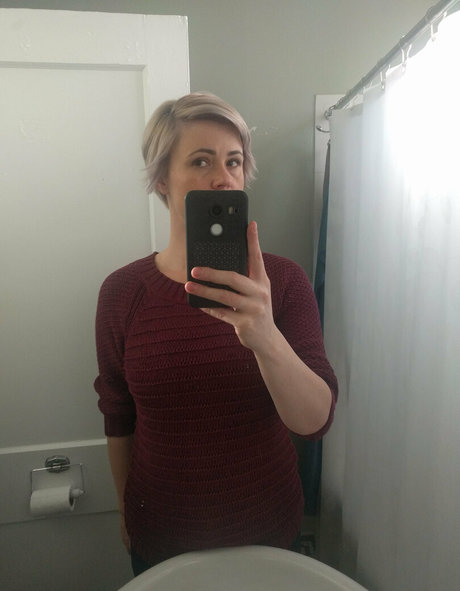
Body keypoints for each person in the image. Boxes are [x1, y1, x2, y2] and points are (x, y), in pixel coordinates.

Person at [94, 91, 338, 576]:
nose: (224, 178)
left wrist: (264, 334)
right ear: (161, 179)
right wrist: (124, 508)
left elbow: (314, 423)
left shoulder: (283, 282)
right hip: (160, 532)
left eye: (234, 161)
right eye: (201, 161)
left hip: (269, 530)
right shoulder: (122, 293)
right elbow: (117, 413)